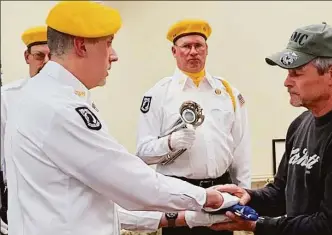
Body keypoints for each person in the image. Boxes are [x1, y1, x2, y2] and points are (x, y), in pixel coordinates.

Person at [3, 2, 238, 235]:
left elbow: (97, 201)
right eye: (108, 44)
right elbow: (130, 182)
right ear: (81, 47)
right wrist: (208, 198)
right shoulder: (59, 107)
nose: (114, 56)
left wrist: (187, 218)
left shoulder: (41, 94)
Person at [209, 22, 332, 235]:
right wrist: (249, 197)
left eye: (297, 73)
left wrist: (258, 225)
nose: (286, 82)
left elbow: (329, 227)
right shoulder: (301, 124)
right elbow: (281, 193)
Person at [135, 18, 252, 235]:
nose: (193, 52)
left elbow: (241, 147)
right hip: (179, 195)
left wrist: (243, 192)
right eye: (186, 46)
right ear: (174, 51)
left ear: (206, 50)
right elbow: (143, 153)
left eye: (199, 46)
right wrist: (169, 143)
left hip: (222, 191)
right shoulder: (158, 94)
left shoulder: (228, 92)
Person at [0, 25, 49, 231]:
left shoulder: (75, 98)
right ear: (27, 57)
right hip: (16, 197)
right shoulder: (7, 97)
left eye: (51, 57)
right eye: (39, 56)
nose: (45, 63)